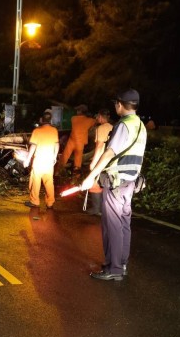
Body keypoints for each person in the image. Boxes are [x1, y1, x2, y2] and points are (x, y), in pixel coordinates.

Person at [80, 89, 147, 281]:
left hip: (117, 182)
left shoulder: (124, 125)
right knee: (124, 223)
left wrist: (91, 177)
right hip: (130, 182)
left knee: (113, 225)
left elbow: (109, 153)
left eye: (115, 103)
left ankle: (114, 268)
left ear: (119, 104)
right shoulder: (140, 125)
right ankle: (121, 264)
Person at [23, 109, 59, 208]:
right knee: (49, 182)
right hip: (49, 161)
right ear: (50, 120)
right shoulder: (54, 130)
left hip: (39, 161)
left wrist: (27, 159)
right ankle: (50, 202)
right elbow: (56, 144)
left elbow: (33, 146)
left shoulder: (37, 131)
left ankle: (35, 201)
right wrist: (55, 157)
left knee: (35, 181)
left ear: (41, 120)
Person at [85, 108, 113, 215]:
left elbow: (100, 146)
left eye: (97, 117)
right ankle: (104, 209)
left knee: (95, 183)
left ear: (100, 117)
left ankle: (96, 209)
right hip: (111, 160)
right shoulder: (113, 127)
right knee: (106, 184)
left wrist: (94, 162)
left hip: (102, 159)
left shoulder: (101, 128)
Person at [58, 104, 96, 172]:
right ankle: (76, 176)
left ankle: (58, 172)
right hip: (80, 143)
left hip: (71, 141)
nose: (76, 112)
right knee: (78, 161)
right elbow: (94, 122)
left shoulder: (73, 118)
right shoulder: (90, 120)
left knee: (64, 157)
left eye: (78, 110)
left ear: (80, 111)